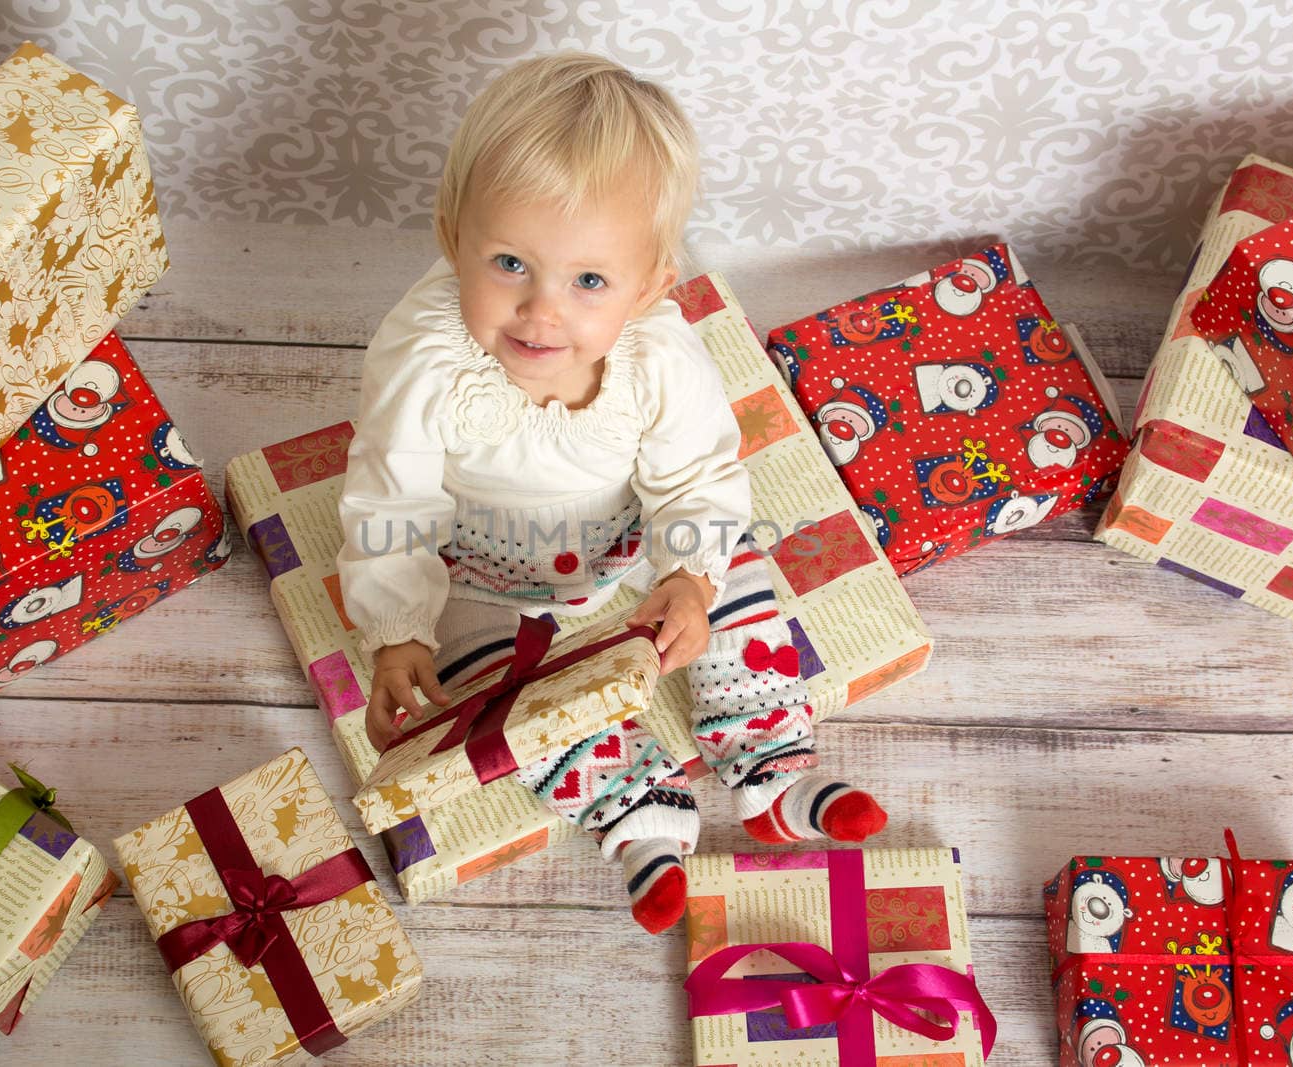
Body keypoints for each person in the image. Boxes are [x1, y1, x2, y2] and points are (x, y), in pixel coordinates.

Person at [338, 52, 886, 935]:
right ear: (450, 234)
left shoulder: (657, 354)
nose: (541, 310)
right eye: (509, 262)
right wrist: (397, 624)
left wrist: (689, 577)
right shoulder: (424, 358)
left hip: (629, 542)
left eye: (588, 281)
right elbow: (388, 497)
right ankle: (637, 813)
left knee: (736, 573)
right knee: (479, 681)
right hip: (482, 574)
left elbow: (697, 474)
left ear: (649, 284)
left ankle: (768, 764)